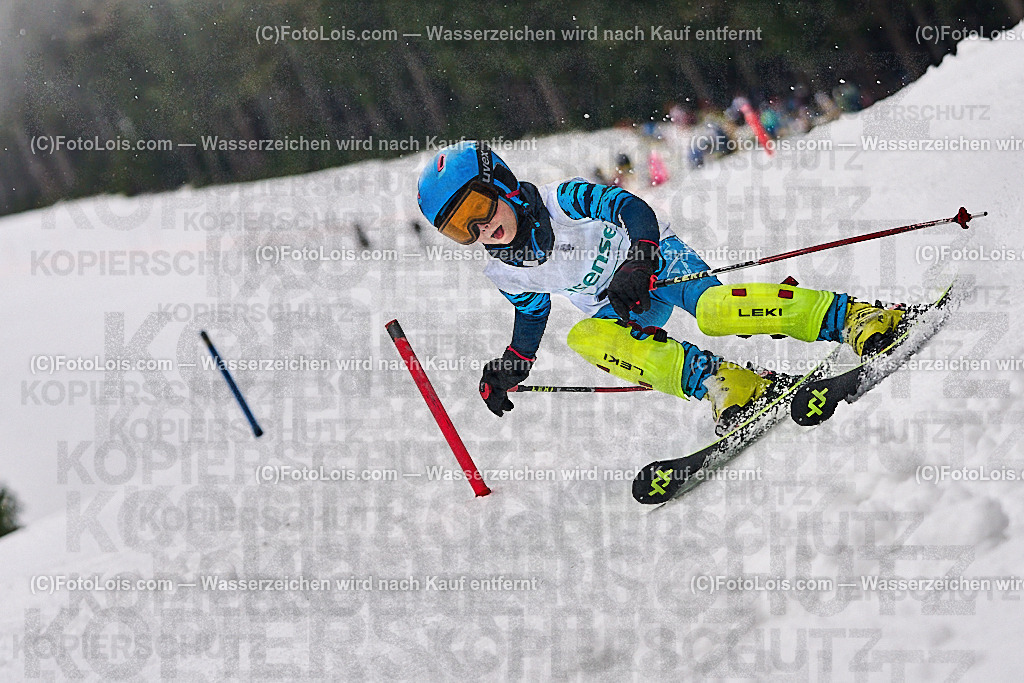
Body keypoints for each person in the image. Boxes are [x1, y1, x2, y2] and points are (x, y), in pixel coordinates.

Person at [415, 141, 903, 434]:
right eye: (462, 229)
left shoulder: (563, 200)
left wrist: (641, 256)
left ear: (504, 186)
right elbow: (531, 312)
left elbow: (631, 209)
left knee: (715, 311)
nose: (481, 230)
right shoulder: (506, 271)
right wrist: (513, 363)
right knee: (584, 336)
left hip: (657, 264)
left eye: (479, 209)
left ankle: (854, 317)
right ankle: (722, 382)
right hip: (620, 308)